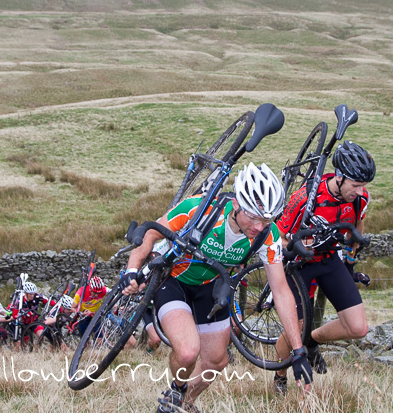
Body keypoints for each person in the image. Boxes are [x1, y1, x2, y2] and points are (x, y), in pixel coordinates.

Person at [122, 163, 313, 412]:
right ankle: (176, 391)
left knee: (216, 361)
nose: (259, 227)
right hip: (175, 280)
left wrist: (298, 351)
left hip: (212, 286)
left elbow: (280, 290)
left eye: (266, 220)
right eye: (253, 217)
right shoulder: (199, 209)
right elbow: (150, 233)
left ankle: (183, 405)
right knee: (188, 352)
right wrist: (131, 270)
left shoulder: (269, 236)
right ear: (236, 204)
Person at [273, 140, 375, 393]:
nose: (360, 191)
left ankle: (311, 341)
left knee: (358, 327)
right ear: (339, 177)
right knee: (295, 328)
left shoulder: (359, 199)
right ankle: (280, 376)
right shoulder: (306, 197)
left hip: (328, 260)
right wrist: (299, 246)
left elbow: (356, 228)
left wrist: (350, 259)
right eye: (356, 185)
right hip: (297, 265)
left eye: (364, 186)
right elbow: (277, 237)